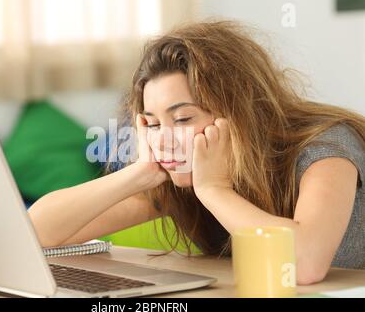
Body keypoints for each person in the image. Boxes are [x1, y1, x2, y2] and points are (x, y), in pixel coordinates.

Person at [28, 21, 365, 285]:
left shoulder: (326, 147)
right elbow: (33, 234)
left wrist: (214, 190)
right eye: (153, 124)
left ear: (241, 112)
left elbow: (304, 264)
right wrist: (141, 172)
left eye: (184, 118)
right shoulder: (174, 178)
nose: (166, 140)